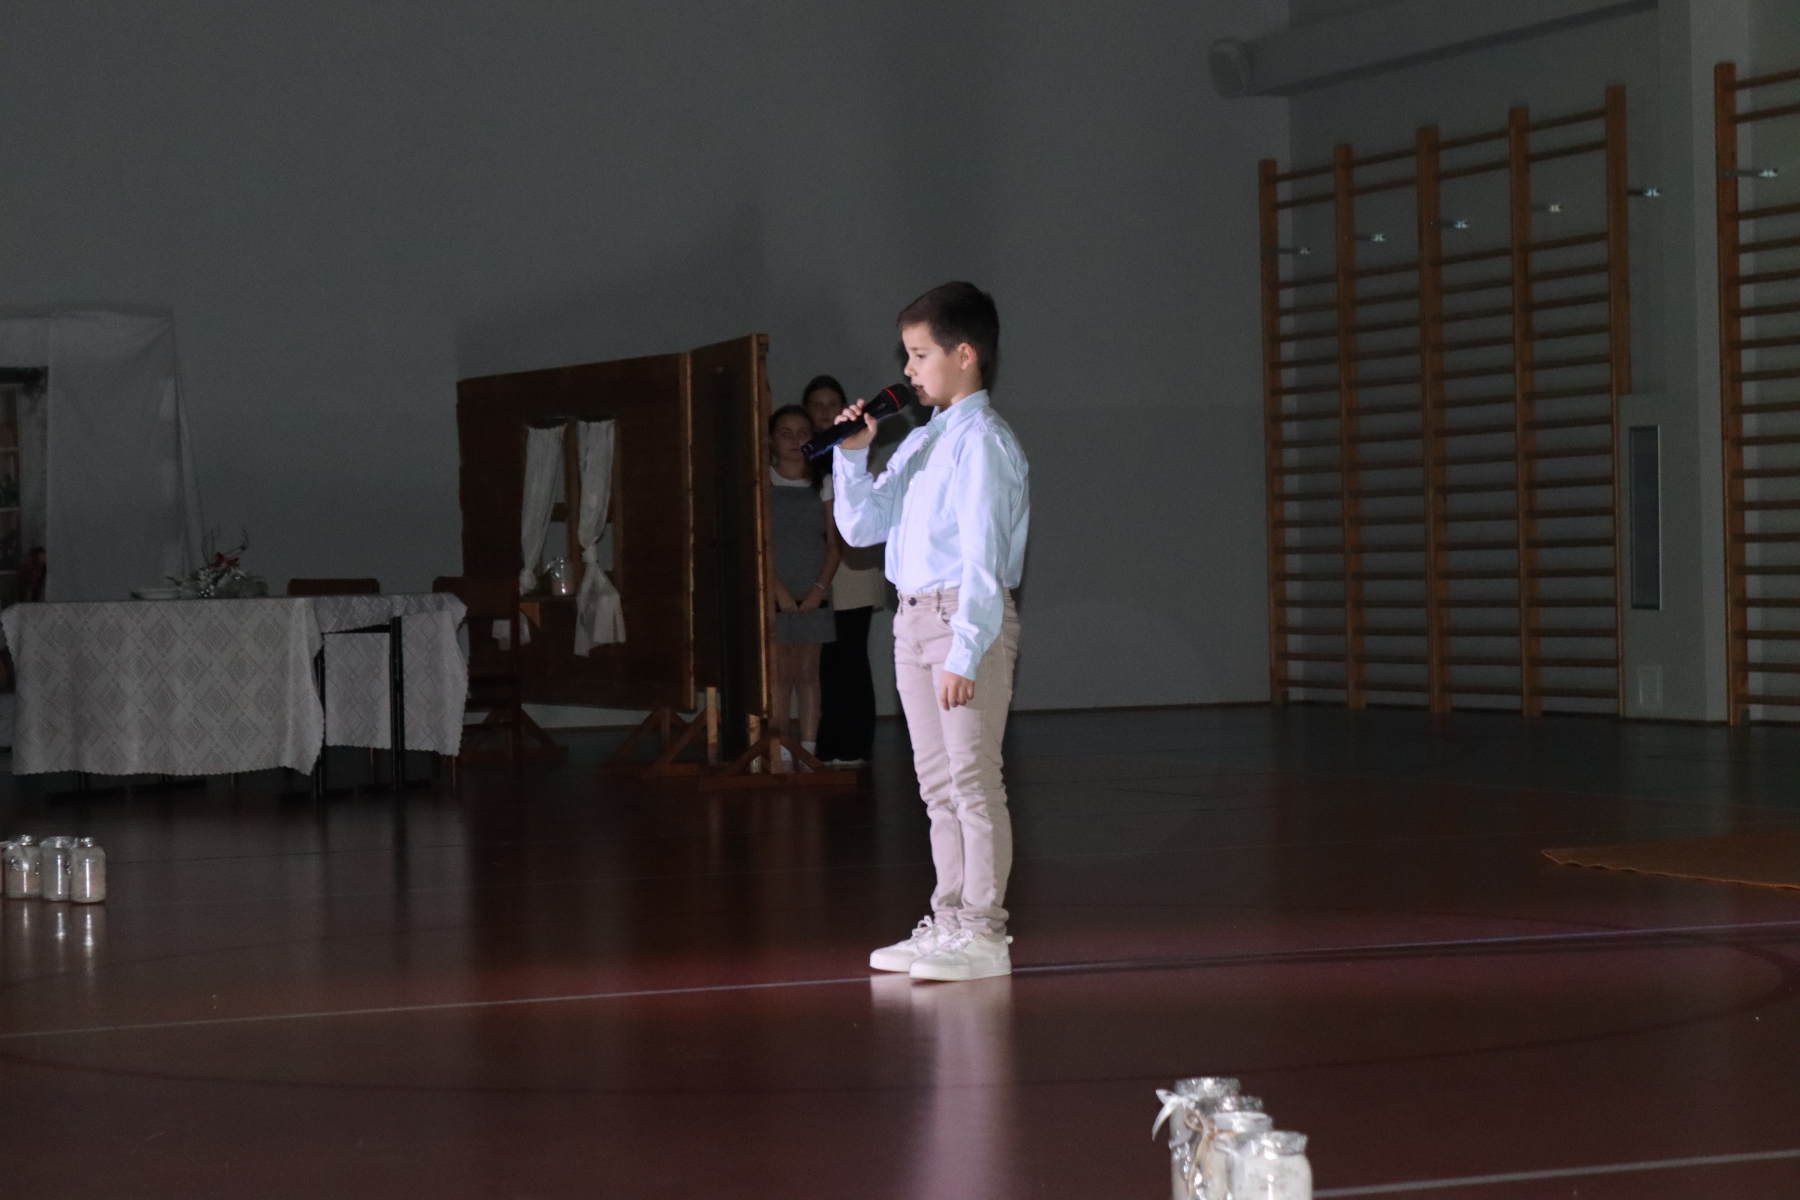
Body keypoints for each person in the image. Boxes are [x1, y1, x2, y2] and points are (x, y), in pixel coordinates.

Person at [832, 281, 1029, 982]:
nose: (908, 369)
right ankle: (948, 921)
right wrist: (851, 455)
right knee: (936, 785)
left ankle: (983, 933)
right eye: (907, 355)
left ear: (965, 355)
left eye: (919, 354)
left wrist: (967, 651)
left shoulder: (983, 444)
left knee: (973, 782)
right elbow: (862, 528)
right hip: (911, 618)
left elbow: (983, 559)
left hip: (960, 619)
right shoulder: (923, 440)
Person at [802, 375, 883, 768]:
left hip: (851, 568)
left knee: (850, 658)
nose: (824, 412)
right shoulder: (800, 455)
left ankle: (855, 745)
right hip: (811, 571)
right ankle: (827, 743)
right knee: (822, 665)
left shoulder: (859, 445)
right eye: (816, 405)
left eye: (832, 404)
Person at [767, 403, 840, 763]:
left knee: (809, 675)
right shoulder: (761, 482)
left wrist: (818, 590)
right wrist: (777, 590)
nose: (794, 441)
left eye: (802, 434)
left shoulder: (823, 482)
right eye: (785, 434)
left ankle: (809, 750)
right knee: (779, 676)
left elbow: (834, 545)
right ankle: (781, 750)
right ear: (771, 440)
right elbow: (757, 543)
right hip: (774, 590)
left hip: (814, 589)